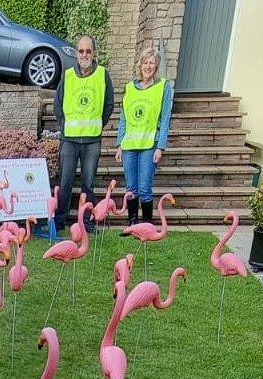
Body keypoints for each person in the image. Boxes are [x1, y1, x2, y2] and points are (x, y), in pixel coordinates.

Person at [53, 34, 114, 234]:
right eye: (81, 51)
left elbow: (109, 105)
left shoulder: (103, 75)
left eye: (88, 51)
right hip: (69, 139)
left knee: (88, 183)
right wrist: (64, 126)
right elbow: (58, 104)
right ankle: (60, 221)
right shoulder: (68, 75)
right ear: (77, 53)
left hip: (91, 140)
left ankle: (86, 223)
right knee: (65, 182)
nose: (84, 54)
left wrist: (98, 125)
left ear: (93, 53)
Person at [115, 47, 173, 226]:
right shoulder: (129, 88)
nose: (148, 66)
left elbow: (165, 119)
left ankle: (147, 226)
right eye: (145, 62)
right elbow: (123, 118)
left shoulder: (163, 87)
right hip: (129, 146)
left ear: (156, 67)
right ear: (140, 65)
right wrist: (119, 145)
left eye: (152, 63)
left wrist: (160, 147)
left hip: (149, 145)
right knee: (131, 188)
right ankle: (132, 224)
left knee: (144, 188)